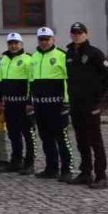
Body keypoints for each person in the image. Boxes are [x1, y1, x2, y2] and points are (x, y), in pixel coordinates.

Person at [66, 22, 108, 189]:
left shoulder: (94, 53)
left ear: (86, 34)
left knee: (95, 140)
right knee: (81, 140)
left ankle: (101, 176)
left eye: (80, 33)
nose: (77, 35)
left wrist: (99, 97)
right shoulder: (69, 53)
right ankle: (85, 173)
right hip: (76, 103)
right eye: (74, 33)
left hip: (91, 104)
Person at [31, 27, 72, 181]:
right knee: (46, 137)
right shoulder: (34, 57)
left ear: (53, 39)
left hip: (57, 105)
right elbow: (31, 80)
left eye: (47, 39)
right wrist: (31, 100)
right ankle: (51, 168)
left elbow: (68, 81)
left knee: (61, 138)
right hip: (40, 105)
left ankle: (67, 169)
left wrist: (66, 102)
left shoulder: (61, 55)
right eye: (41, 39)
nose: (44, 42)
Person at [0, 32, 35, 174]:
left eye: (16, 43)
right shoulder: (4, 59)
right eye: (11, 43)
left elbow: (32, 82)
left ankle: (29, 163)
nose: (13, 46)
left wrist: (30, 101)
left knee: (28, 134)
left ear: (21, 44)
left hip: (23, 104)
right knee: (13, 134)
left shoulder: (28, 59)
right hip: (10, 104)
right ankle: (16, 161)